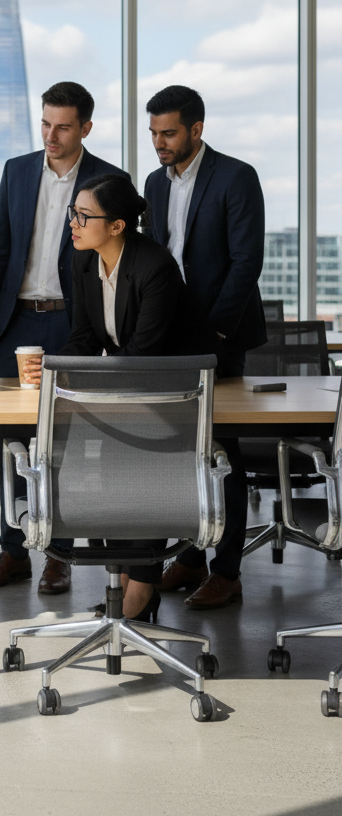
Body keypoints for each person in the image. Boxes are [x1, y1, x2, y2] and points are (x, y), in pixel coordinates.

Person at [24, 173, 220, 620]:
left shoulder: (154, 266)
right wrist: (52, 368)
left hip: (177, 391)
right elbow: (83, 337)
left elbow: (144, 356)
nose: (72, 222)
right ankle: (134, 586)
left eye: (83, 215)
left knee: (139, 469)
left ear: (116, 226)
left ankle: (139, 589)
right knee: (108, 469)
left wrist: (83, 381)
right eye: (73, 212)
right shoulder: (81, 260)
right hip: (130, 384)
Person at [0, 81, 125, 595]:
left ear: (85, 127)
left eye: (62, 126)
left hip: (73, 324)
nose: (51, 135)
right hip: (17, 321)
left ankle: (58, 552)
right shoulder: (17, 171)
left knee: (67, 442)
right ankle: (12, 549)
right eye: (45, 124)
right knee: (7, 438)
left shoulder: (108, 179)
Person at [143, 84, 266, 610]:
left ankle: (228, 570)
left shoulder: (236, 177)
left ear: (196, 129)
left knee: (223, 453)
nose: (159, 143)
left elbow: (246, 262)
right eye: (153, 133)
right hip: (169, 338)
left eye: (168, 133)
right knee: (179, 453)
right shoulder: (154, 182)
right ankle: (192, 556)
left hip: (220, 337)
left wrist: (213, 333)